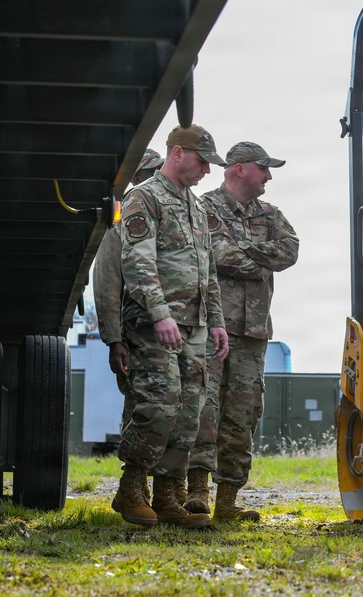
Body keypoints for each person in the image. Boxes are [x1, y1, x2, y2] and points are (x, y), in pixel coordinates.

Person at [110, 124, 230, 530]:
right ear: (177, 154)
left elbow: (207, 270)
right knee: (158, 404)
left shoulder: (196, 207)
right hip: (153, 322)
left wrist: (216, 322)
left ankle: (167, 495)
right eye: (202, 162)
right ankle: (131, 487)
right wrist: (160, 313)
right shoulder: (144, 197)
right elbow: (137, 262)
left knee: (189, 411)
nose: (207, 172)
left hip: (194, 326)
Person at [184, 141, 299, 522]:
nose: (269, 176)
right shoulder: (203, 207)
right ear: (240, 169)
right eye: (264, 168)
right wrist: (257, 260)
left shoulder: (271, 213)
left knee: (243, 413)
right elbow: (213, 254)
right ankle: (196, 492)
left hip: (253, 332)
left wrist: (241, 255)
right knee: (203, 406)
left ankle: (228, 500)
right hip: (211, 325)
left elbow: (290, 250)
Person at [93, 147, 164, 431]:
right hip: (139, 333)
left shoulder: (175, 215)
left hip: (177, 331)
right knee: (142, 410)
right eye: (151, 172)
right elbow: (107, 280)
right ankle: (133, 475)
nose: (158, 177)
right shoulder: (121, 220)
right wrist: (114, 339)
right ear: (136, 177)